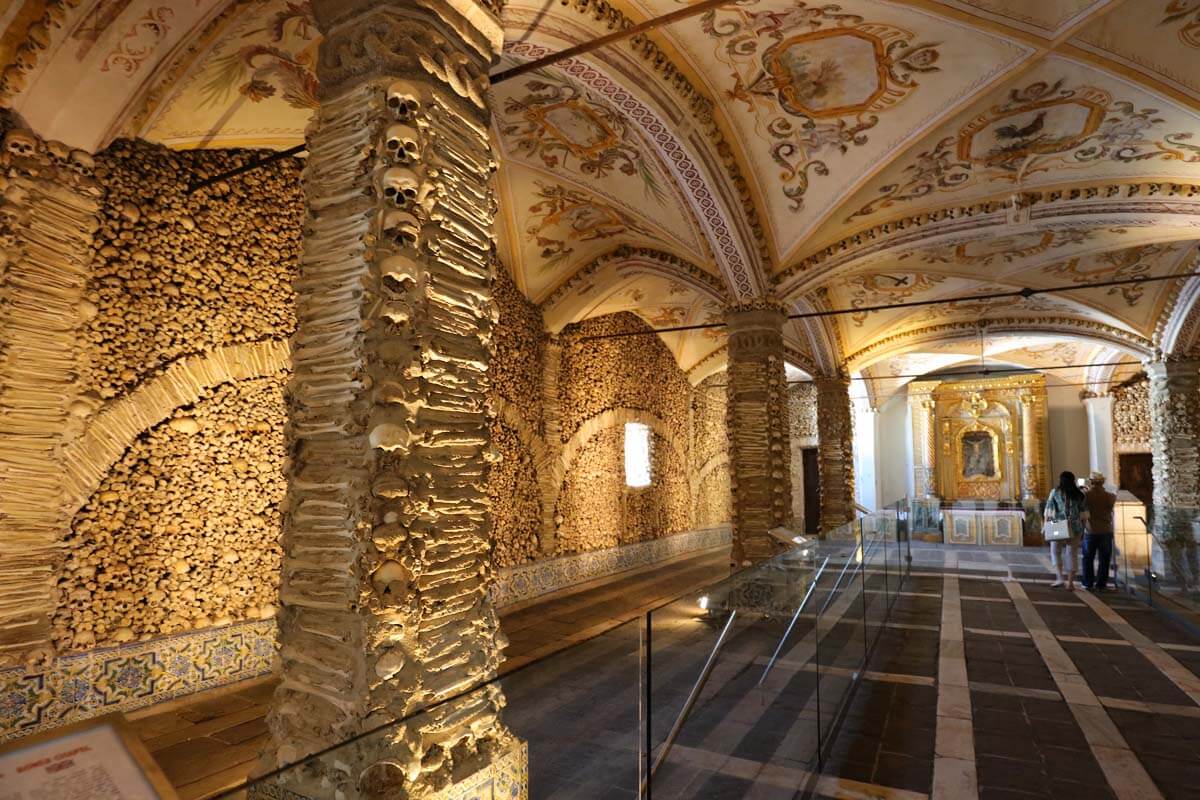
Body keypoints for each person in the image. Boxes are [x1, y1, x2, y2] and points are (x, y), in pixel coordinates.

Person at [1045, 471, 1089, 590]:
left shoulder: (1055, 492)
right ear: (1073, 480)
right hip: (1075, 527)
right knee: (1072, 554)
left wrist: (1046, 525)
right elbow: (1084, 513)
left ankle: (1059, 578)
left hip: (1058, 525)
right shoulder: (1079, 494)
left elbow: (1049, 511)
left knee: (1055, 551)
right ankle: (1070, 582)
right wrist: (1083, 529)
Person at [1082, 471, 1117, 591]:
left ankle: (1088, 582)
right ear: (1103, 482)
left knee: (1088, 558)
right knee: (1104, 559)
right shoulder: (1111, 496)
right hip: (1106, 530)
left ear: (1091, 482)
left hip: (1090, 530)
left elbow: (1082, 510)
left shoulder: (1086, 496)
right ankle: (1101, 584)